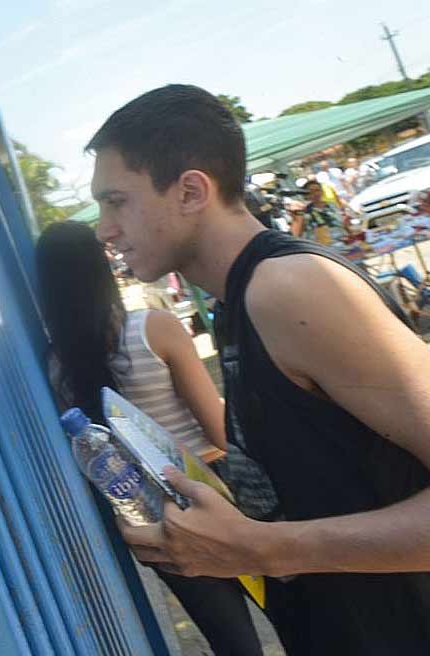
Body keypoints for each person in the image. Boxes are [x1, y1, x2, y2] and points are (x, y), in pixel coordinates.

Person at [87, 84, 430, 655]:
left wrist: (262, 549)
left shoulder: (290, 289)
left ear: (192, 191)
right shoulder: (237, 303)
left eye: (116, 200)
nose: (103, 228)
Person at [37, 221, 262, 656]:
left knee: (235, 644)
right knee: (298, 614)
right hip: (216, 489)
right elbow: (221, 429)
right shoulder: (153, 329)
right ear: (101, 267)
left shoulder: (55, 367)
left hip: (157, 518)